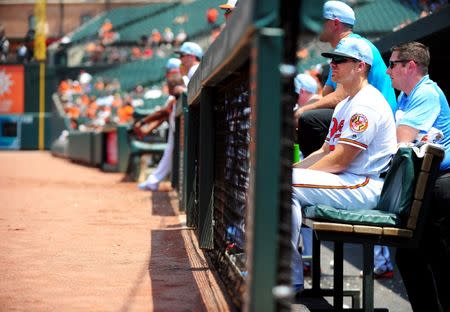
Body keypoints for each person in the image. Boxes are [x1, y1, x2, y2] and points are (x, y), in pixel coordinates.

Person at [297, 0, 397, 278]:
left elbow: (339, 159)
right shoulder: (344, 103)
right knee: (284, 183)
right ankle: (290, 275)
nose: (333, 64)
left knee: (284, 188)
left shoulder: (364, 103)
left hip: (365, 182)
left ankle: (285, 275)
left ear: (360, 67)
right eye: (332, 59)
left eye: (339, 60)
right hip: (350, 179)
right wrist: (294, 171)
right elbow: (326, 149)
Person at [386, 41, 450, 312]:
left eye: (392, 64)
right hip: (424, 183)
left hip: (441, 184)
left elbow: (400, 140)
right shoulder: (406, 97)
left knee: (442, 261)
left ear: (410, 66)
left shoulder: (426, 92)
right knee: (410, 256)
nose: (388, 71)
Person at [137, 59, 186, 191]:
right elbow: (165, 114)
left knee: (175, 154)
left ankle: (156, 181)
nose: (167, 74)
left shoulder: (182, 82)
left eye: (169, 71)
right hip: (176, 128)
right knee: (170, 152)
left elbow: (164, 112)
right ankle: (154, 181)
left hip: (185, 128)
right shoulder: (179, 85)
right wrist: (147, 128)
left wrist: (144, 124)